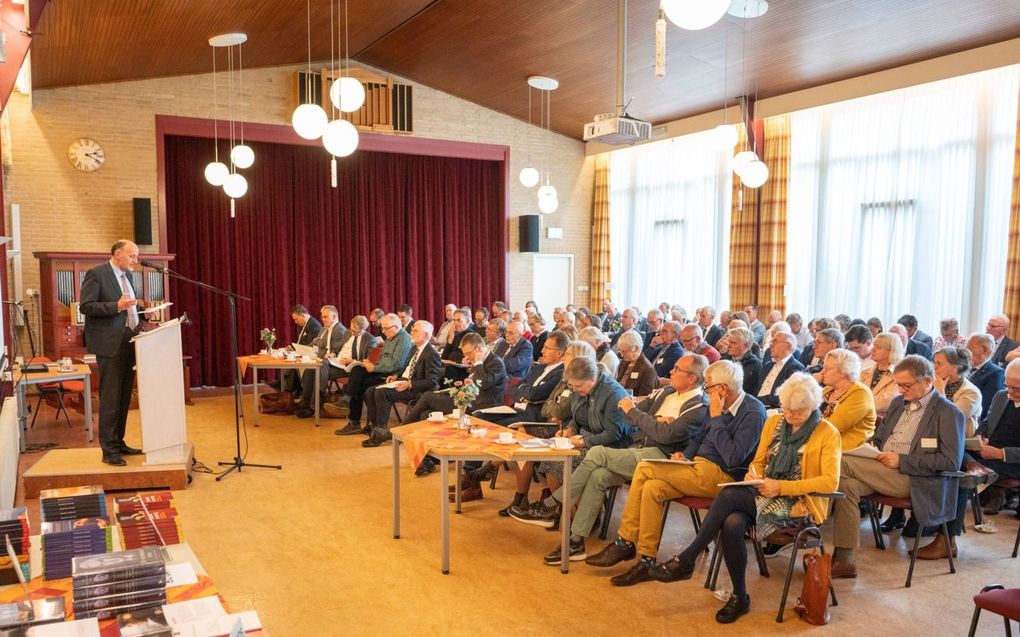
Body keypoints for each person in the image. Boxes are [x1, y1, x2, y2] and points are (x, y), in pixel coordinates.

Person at [646, 372, 841, 624]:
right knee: (732, 523)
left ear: (813, 407)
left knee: (728, 494)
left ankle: (687, 559)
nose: (791, 416)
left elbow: (829, 482)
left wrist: (780, 487)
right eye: (787, 410)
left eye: (799, 412)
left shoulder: (827, 433)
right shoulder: (775, 424)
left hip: (799, 504)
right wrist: (755, 473)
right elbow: (758, 461)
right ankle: (740, 596)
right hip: (762, 493)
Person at [585, 360, 766, 585]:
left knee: (644, 468)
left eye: (708, 387)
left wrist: (718, 417)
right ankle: (647, 560)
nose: (705, 391)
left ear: (723, 389)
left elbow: (733, 457)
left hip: (723, 477)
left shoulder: (752, 412)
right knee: (652, 488)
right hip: (697, 467)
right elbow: (700, 437)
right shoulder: (716, 403)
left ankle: (624, 542)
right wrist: (685, 454)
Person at [524, 354, 710, 565]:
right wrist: (657, 421)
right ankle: (575, 542)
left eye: (677, 369)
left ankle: (555, 501)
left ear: (692, 378)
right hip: (639, 449)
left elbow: (665, 435)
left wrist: (647, 420)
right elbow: (630, 410)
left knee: (595, 453)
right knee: (597, 475)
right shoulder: (667, 392)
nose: (671, 372)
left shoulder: (699, 405)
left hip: (662, 458)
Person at [830, 355, 964, 578]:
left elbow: (950, 462)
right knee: (847, 486)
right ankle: (845, 561)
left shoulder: (948, 413)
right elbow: (880, 438)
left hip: (915, 478)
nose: (901, 390)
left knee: (838, 460)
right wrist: (870, 449)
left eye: (906, 385)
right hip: (881, 467)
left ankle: (804, 518)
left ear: (928, 381)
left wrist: (902, 461)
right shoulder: (897, 403)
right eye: (898, 385)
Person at [509, 356, 633, 527]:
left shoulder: (613, 394)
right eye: (572, 386)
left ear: (592, 378)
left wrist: (583, 442)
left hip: (608, 446)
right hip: (583, 438)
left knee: (560, 462)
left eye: (578, 386)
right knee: (551, 460)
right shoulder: (581, 389)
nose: (575, 390)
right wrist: (569, 430)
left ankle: (570, 519)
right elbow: (577, 417)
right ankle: (563, 515)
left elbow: (614, 434)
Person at [79, 240, 160, 466]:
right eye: (132, 255)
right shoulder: (97, 274)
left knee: (125, 395)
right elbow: (86, 306)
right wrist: (116, 307)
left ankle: (119, 441)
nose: (136, 260)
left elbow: (130, 305)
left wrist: (144, 313)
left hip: (130, 339)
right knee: (111, 397)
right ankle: (109, 450)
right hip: (109, 343)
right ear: (117, 254)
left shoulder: (128, 277)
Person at [361, 320, 443, 447]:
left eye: (415, 331)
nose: (412, 333)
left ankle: (380, 432)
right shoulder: (414, 349)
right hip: (402, 382)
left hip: (415, 389)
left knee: (381, 392)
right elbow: (405, 368)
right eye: (412, 330)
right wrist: (395, 376)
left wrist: (410, 384)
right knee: (370, 391)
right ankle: (374, 426)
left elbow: (431, 381)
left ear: (426, 335)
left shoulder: (431, 354)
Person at [335, 314, 413, 436]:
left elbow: (396, 364)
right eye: (383, 328)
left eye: (386, 328)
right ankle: (349, 406)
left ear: (397, 327)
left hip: (393, 375)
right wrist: (370, 363)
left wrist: (374, 367)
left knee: (358, 383)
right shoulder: (390, 336)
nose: (383, 331)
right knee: (357, 371)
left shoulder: (404, 339)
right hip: (382, 370)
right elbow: (383, 359)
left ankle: (354, 419)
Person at [298, 311, 369, 419]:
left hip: (348, 367)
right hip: (336, 362)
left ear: (363, 329)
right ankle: (305, 401)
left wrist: (351, 360)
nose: (352, 332)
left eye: (355, 331)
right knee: (312, 368)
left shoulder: (369, 339)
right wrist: (333, 354)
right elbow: (337, 347)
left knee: (321, 365)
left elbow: (365, 360)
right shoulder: (348, 333)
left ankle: (314, 404)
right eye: (351, 329)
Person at [972, 359, 1020, 514]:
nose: (1010, 392)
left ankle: (993, 492)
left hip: (1013, 461)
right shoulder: (1001, 396)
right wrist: (980, 436)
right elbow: (987, 422)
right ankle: (992, 492)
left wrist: (1000, 453)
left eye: (1016, 389)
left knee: (978, 471)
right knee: (955, 456)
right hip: (988, 451)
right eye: (1007, 386)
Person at [818, 348, 877, 450]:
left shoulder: (860, 393)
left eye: (827, 369)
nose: (822, 372)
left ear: (843, 372)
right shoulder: (828, 389)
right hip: (822, 444)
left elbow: (832, 427)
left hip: (847, 450)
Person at [277, 304, 322, 396]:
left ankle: (287, 390)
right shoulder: (306, 324)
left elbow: (309, 346)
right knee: (289, 359)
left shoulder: (314, 326)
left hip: (312, 354)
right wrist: (292, 347)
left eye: (296, 319)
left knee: (293, 361)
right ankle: (287, 388)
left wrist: (295, 350)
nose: (295, 322)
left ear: (303, 315)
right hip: (305, 352)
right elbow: (301, 342)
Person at [756, 331, 804, 409]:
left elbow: (787, 397)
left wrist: (758, 402)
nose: (771, 345)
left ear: (788, 346)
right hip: (758, 406)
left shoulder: (795, 368)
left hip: (773, 409)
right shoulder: (768, 366)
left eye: (775, 341)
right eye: (771, 341)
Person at [861, 332, 904, 416]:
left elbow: (885, 403)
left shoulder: (899, 376)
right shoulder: (864, 373)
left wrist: (857, 402)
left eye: (878, 347)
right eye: (873, 345)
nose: (872, 349)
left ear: (891, 351)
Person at [967, 332, 1005, 419]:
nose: (966, 351)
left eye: (970, 347)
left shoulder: (995, 372)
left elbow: (989, 404)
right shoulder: (966, 369)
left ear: (985, 349)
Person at [615, 331, 658, 397]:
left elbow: (645, 398)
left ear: (637, 349)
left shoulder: (648, 370)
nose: (622, 355)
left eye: (625, 352)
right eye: (621, 352)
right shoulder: (624, 362)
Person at [721, 327, 762, 394]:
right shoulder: (724, 359)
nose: (729, 345)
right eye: (729, 342)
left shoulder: (754, 364)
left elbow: (739, 388)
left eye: (733, 343)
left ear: (746, 345)